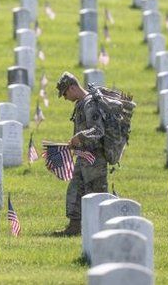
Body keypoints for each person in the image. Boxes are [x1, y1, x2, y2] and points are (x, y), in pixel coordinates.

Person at [55, 71, 108, 236]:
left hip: (95, 159)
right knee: (75, 190)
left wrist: (80, 137)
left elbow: (98, 131)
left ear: (72, 88)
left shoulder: (90, 104)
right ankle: (74, 226)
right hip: (83, 156)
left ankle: (101, 228)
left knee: (96, 193)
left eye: (65, 93)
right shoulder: (81, 104)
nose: (64, 97)